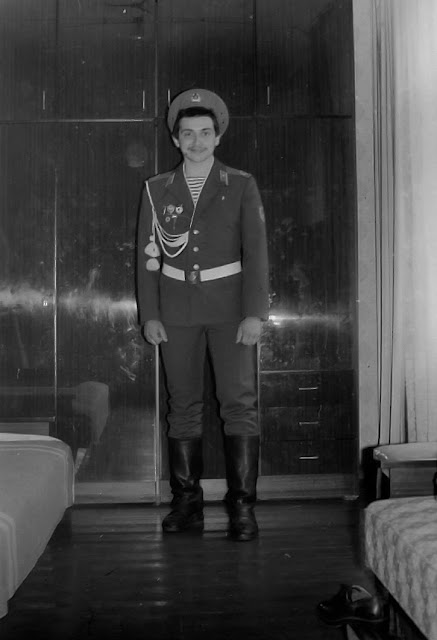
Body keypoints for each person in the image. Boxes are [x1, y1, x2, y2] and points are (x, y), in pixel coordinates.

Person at [136, 88, 269, 541]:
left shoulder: (241, 184)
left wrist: (255, 313)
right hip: (176, 310)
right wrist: (151, 314)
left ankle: (242, 508)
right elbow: (148, 258)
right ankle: (187, 503)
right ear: (176, 139)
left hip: (231, 310)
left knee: (239, 404)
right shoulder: (156, 189)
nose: (197, 141)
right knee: (183, 406)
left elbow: (256, 254)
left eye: (205, 133)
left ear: (218, 137)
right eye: (188, 134)